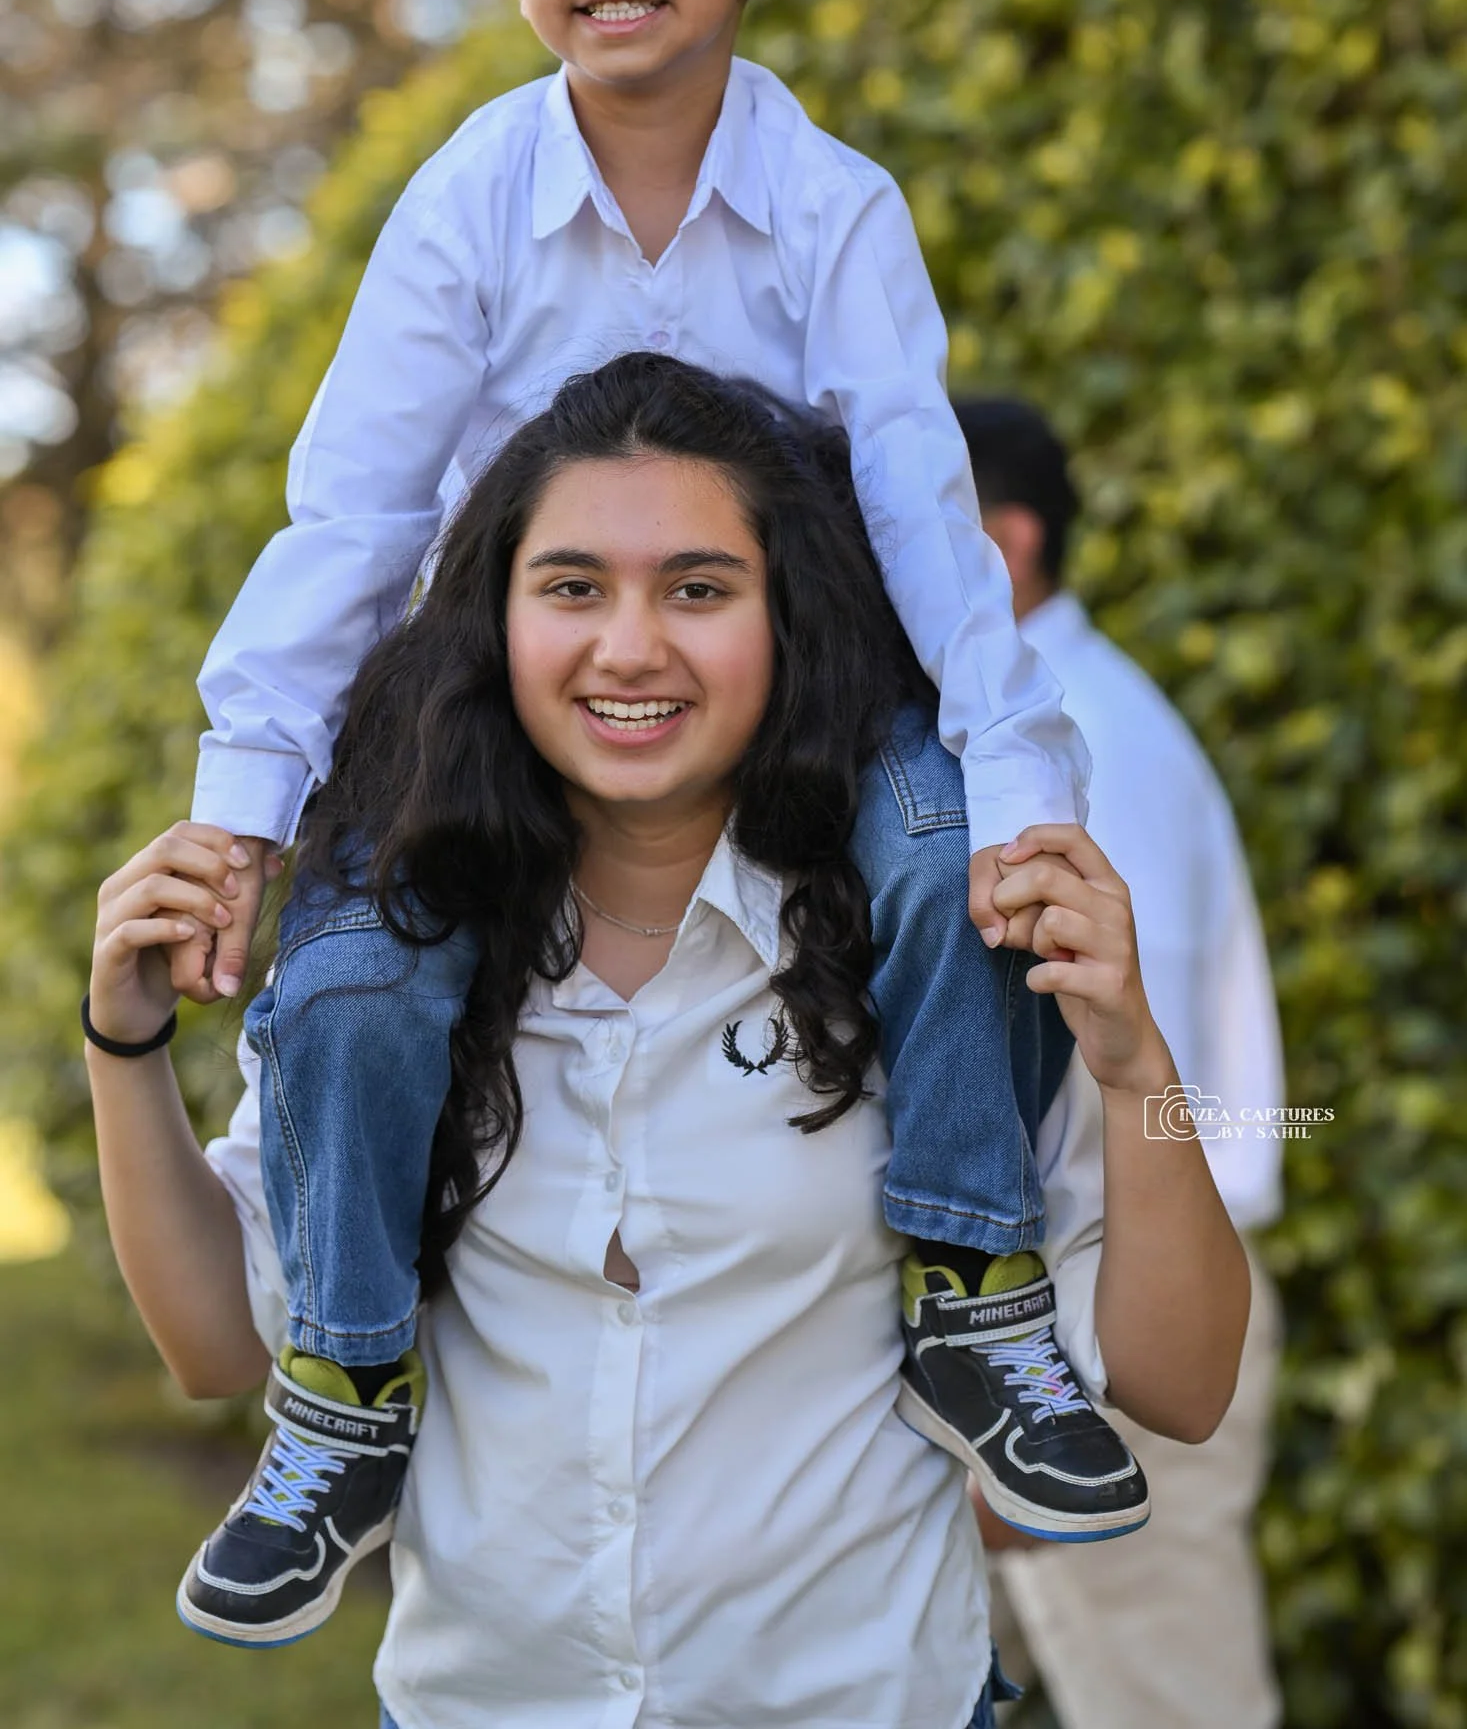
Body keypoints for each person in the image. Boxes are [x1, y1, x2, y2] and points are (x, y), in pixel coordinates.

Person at [133, 0, 1154, 1639]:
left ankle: (970, 1277)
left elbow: (929, 522)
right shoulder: (462, 202)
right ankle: (342, 1384)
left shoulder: (835, 208)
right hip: (481, 697)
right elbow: (347, 517)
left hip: (815, 680)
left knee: (953, 863)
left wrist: (1022, 782)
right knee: (349, 979)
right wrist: (242, 807)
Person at [85, 356, 1250, 1727]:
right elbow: (222, 1350)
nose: (630, 646)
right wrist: (123, 1044)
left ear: (789, 620)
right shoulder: (382, 978)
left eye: (698, 588)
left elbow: (1178, 1388)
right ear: (494, 621)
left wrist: (1138, 1073)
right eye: (572, 587)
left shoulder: (938, 950)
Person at [953, 397, 1286, 1729]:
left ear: (1004, 543)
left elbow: (1108, 1080)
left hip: (1120, 1311)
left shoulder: (1070, 742)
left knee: (1170, 1707)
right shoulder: (1049, 721)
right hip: (1072, 1305)